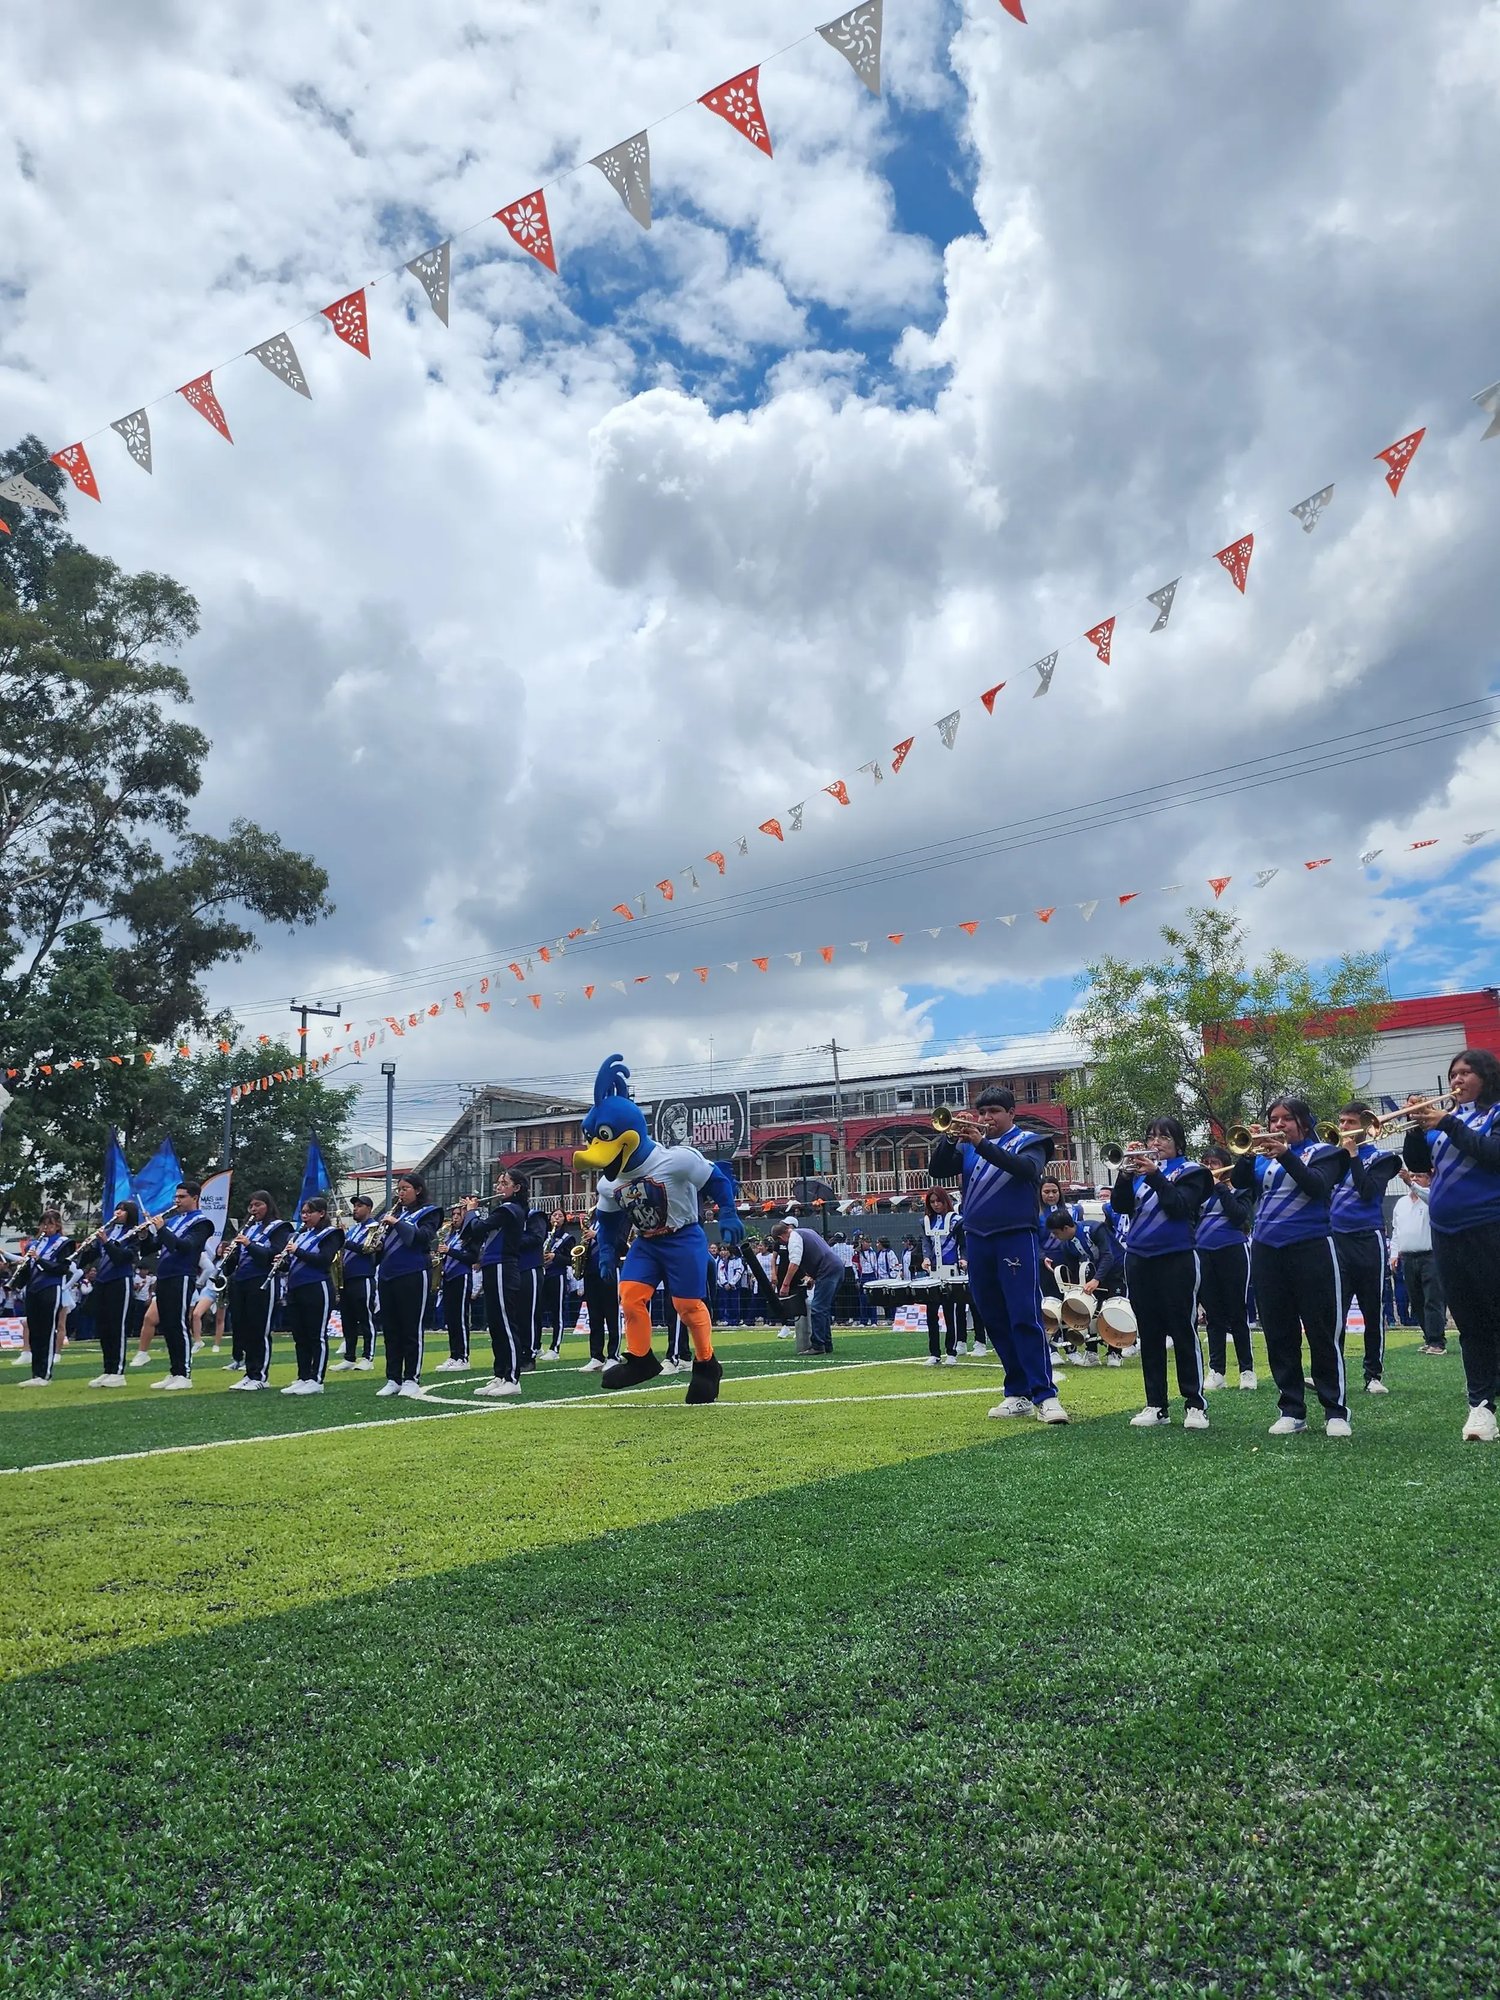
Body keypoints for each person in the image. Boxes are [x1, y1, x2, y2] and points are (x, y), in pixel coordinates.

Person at [574, 1054, 744, 1405]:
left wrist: (726, 1212)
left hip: (683, 1236)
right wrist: (606, 1250)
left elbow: (713, 1178)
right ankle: (640, 1359)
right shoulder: (610, 1184)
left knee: (687, 1305)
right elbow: (607, 1219)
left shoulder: (675, 1159)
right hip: (647, 1242)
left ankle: (706, 1363)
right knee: (631, 1294)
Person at [929, 1089, 1068, 1424]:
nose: (986, 1118)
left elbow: (1025, 1171)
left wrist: (981, 1144)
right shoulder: (968, 1144)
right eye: (981, 1112)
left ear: (1011, 1113)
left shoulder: (1030, 1141)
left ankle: (1045, 1395)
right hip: (978, 1240)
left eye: (993, 1111)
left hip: (1015, 1237)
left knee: (1024, 1315)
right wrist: (950, 1139)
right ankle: (1017, 1391)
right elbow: (936, 1171)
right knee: (993, 1317)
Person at [1231, 1099, 1352, 1438]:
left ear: (1304, 1122)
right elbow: (1241, 1184)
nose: (1280, 1124)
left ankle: (1335, 1410)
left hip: (1312, 1246)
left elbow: (1315, 1186)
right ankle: (1291, 1408)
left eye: (1287, 1119)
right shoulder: (1264, 1160)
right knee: (1279, 1332)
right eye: (1274, 1119)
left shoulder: (1325, 1152)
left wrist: (1285, 1153)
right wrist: (1247, 1153)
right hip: (1268, 1250)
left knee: (1322, 1330)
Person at [1402, 1048, 1500, 1443]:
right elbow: (1420, 1163)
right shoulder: (1449, 1120)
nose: (1456, 1080)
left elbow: (1493, 1155)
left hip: (1489, 1226)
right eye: (1453, 1074)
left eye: (1465, 1073)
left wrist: (1449, 1125)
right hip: (1447, 1232)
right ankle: (1481, 1406)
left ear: (1486, 1076)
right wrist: (1414, 1128)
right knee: (1470, 1320)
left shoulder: (1492, 1114)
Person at [1111, 1121, 1214, 1429]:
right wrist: (1124, 1175)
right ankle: (1156, 1404)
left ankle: (1195, 1404)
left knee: (1183, 1330)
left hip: (1177, 1256)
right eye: (1151, 1136)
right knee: (1150, 1333)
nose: (1155, 1142)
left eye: (1164, 1137)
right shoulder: (1138, 1174)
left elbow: (1179, 1206)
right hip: (1140, 1258)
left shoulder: (1193, 1171)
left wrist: (1155, 1175)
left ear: (1178, 1143)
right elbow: (1120, 1206)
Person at [1331, 1103, 1403, 1396]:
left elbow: (1368, 1191)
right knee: (1334, 1311)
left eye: (1349, 1122)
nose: (1344, 1127)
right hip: (1336, 1239)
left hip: (1367, 1239)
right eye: (1342, 1121)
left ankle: (1373, 1374)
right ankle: (1331, 1372)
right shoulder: (1332, 1159)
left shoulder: (1383, 1158)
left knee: (1372, 1309)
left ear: (1365, 1125)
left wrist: (1352, 1156)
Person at [374, 1175, 442, 1400]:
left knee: (411, 1328)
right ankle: (393, 1378)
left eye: (405, 1189)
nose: (400, 1193)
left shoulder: (430, 1212)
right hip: (387, 1274)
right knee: (391, 1330)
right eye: (399, 1189)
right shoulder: (396, 1213)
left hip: (412, 1273)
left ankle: (411, 1378)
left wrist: (396, 1223)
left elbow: (421, 1238)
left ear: (418, 1190)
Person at [143, 1182, 216, 1390]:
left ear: (194, 1198)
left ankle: (184, 1373)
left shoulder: (202, 1223)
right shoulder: (174, 1221)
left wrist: (162, 1228)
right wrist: (145, 1233)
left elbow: (185, 1246)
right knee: (167, 1324)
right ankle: (174, 1371)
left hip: (182, 1274)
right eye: (176, 1197)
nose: (177, 1201)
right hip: (164, 1275)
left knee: (178, 1323)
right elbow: (152, 1246)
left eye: (182, 1197)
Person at [1196, 1146, 1257, 1390]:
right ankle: (1217, 1370)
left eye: (1214, 1162)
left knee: (1237, 1312)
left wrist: (1221, 1187)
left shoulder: (1240, 1188)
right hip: (1204, 1253)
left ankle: (1247, 1370)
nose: (1210, 1167)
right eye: (1206, 1163)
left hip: (1233, 1251)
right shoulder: (1197, 1192)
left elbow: (1239, 1216)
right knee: (1213, 1315)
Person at [472, 1169, 534, 1398]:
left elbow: (477, 1228)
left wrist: (471, 1212)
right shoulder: (504, 1209)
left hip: (502, 1266)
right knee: (495, 1325)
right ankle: (500, 1375)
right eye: (498, 1183)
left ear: (516, 1188)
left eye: (504, 1183)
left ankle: (512, 1378)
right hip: (492, 1266)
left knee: (506, 1324)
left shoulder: (510, 1209)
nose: (498, 1187)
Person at [222, 1192, 292, 1392]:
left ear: (268, 1206)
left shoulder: (280, 1227)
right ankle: (249, 1372)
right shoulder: (249, 1229)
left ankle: (260, 1375)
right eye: (251, 1206)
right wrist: (231, 1254)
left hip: (262, 1281)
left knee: (259, 1329)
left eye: (258, 1205)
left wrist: (249, 1245)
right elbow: (232, 1265)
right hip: (241, 1281)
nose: (253, 1210)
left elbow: (273, 1256)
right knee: (243, 1329)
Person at [280, 1196, 345, 1396]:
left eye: (309, 1212)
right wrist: (282, 1261)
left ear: (322, 1213)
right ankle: (303, 1377)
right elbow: (290, 1263)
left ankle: (317, 1379)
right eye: (303, 1213)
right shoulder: (299, 1235)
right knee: (300, 1336)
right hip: (296, 1288)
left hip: (317, 1287)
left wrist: (297, 1251)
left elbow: (323, 1260)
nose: (305, 1216)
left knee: (316, 1335)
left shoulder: (331, 1234)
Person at [76, 1200, 142, 1387]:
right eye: (117, 1208)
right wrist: (86, 1247)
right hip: (103, 1282)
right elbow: (92, 1256)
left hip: (120, 1281)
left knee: (117, 1327)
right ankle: (108, 1370)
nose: (118, 1212)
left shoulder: (134, 1234)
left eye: (123, 1210)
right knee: (104, 1328)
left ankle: (118, 1372)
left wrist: (106, 1242)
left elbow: (122, 1258)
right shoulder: (110, 1230)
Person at [1388, 1168, 1447, 1355]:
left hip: (1430, 1256)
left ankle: (1437, 1341)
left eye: (1419, 1176)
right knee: (1417, 1300)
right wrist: (1394, 1254)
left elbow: (1427, 1197)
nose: (1414, 1179)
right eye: (1412, 1175)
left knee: (1432, 1299)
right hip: (1408, 1257)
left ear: (1429, 1180)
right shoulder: (1401, 1203)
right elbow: (1396, 1231)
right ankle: (1429, 1337)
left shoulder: (1433, 1197)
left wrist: (1410, 1183)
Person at [14, 1210, 76, 1386]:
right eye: (43, 1224)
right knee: (34, 1332)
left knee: (47, 1331)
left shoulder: (65, 1244)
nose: (45, 1228)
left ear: (57, 1225)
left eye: (49, 1224)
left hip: (50, 1288)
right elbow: (28, 1270)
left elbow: (61, 1268)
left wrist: (39, 1260)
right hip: (33, 1289)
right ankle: (36, 1374)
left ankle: (45, 1374)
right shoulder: (33, 1244)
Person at [771, 1217, 842, 1356]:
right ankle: (826, 1344)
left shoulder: (794, 1238)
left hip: (827, 1270)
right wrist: (811, 1276)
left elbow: (794, 1263)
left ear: (781, 1236)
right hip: (835, 1267)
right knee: (823, 1308)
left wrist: (785, 1285)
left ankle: (817, 1345)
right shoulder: (807, 1231)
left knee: (817, 1308)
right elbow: (816, 1253)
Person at [920, 1189, 972, 1365]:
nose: (935, 1205)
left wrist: (964, 1259)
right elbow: (926, 1242)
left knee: (951, 1313)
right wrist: (926, 1258)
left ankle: (951, 1351)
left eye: (938, 1201)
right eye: (932, 1202)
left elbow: (963, 1245)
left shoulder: (956, 1221)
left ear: (945, 1201)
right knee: (931, 1314)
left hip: (951, 1271)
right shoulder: (927, 1222)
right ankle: (934, 1353)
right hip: (933, 1272)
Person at [435, 1197, 484, 1373]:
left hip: (462, 1276)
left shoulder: (470, 1235)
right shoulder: (450, 1235)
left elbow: (472, 1258)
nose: (455, 1217)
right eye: (453, 1214)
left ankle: (463, 1357)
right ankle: (454, 1354)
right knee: (451, 1319)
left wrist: (450, 1251)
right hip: (448, 1278)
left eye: (459, 1214)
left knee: (461, 1318)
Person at [334, 1194, 380, 1372]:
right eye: (355, 1206)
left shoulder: (374, 1227)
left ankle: (368, 1357)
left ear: (368, 1208)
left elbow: (366, 1249)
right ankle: (349, 1357)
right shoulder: (353, 1229)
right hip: (347, 1278)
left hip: (363, 1276)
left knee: (365, 1318)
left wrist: (344, 1240)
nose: (355, 1209)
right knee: (348, 1319)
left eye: (360, 1206)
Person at [538, 1210, 577, 1359]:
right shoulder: (544, 1235)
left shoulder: (568, 1238)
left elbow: (571, 1259)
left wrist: (555, 1257)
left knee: (557, 1313)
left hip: (557, 1275)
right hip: (543, 1275)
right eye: (554, 1215)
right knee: (537, 1312)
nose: (557, 1218)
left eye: (560, 1216)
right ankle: (536, 1345)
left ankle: (555, 1348)